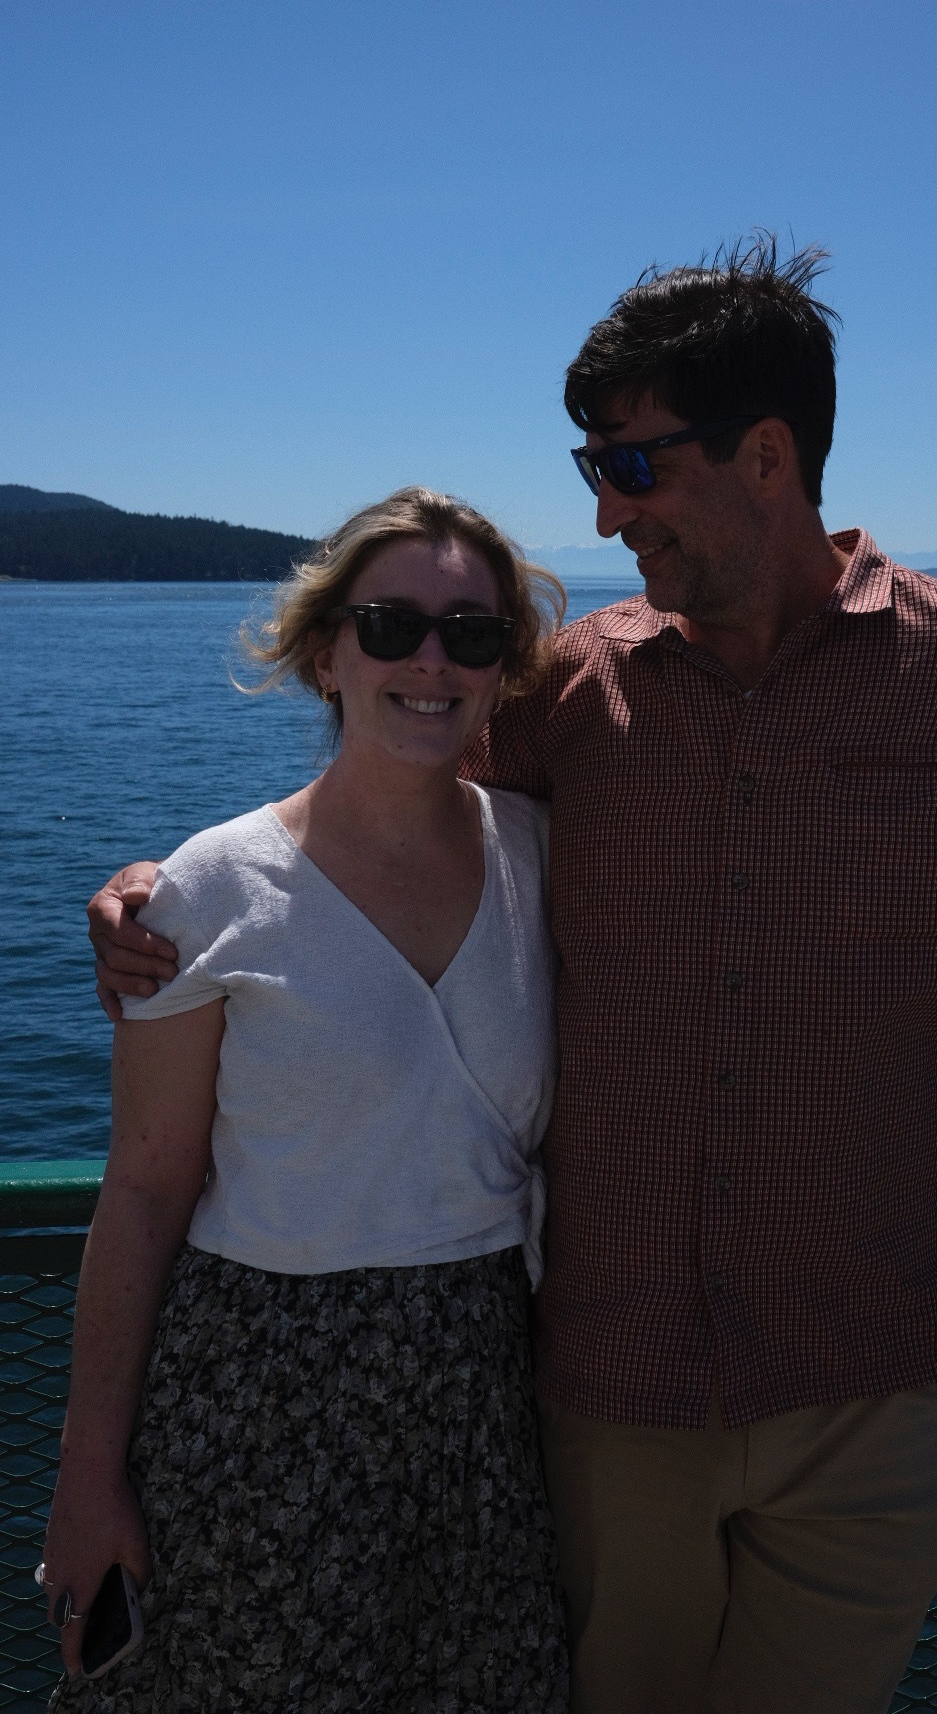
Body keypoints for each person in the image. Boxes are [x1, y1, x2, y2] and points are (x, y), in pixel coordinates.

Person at [88, 240, 937, 1714]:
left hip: (863, 1363)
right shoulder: (572, 695)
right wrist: (173, 894)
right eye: (591, 466)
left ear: (769, 456)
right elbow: (386, 804)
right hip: (613, 1385)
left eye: (631, 466)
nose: (604, 513)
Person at [46, 488, 569, 1712]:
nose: (431, 659)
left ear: (505, 670)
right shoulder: (209, 887)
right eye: (390, 625)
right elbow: (141, 1190)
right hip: (262, 1394)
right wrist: (87, 1475)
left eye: (472, 634)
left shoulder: (546, 857)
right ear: (325, 652)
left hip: (488, 1393)